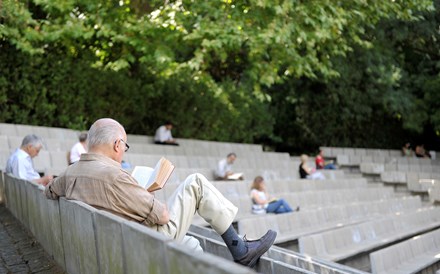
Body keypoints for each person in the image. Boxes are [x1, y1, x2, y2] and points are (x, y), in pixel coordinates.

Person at [44, 118, 276, 268]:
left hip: (113, 243)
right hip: (138, 242)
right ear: (117, 145)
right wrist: (144, 192)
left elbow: (49, 190)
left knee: (192, 244)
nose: (123, 152)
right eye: (124, 147)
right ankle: (240, 249)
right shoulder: (115, 176)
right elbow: (162, 216)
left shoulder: (68, 174)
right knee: (196, 183)